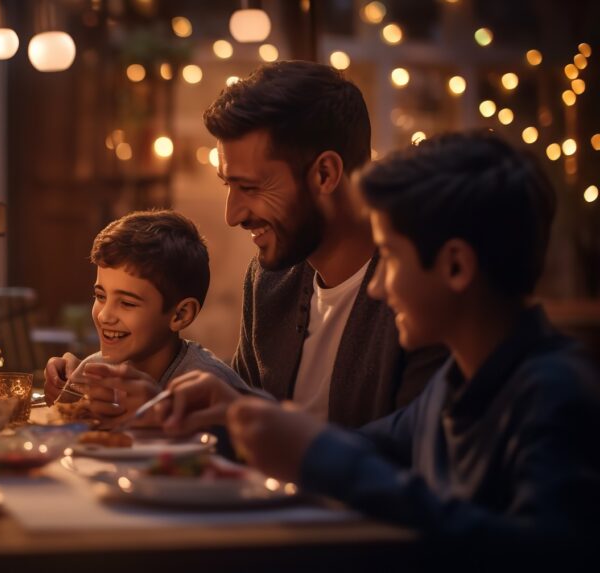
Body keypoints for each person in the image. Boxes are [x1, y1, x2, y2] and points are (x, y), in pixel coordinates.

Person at [226, 132, 600, 558]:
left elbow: (544, 555)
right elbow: (367, 446)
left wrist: (319, 455)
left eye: (389, 257)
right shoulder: (454, 384)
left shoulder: (555, 395)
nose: (379, 287)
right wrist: (235, 415)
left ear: (456, 266)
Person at [85, 61, 447, 435]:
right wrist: (160, 410)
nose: (232, 215)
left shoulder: (416, 290)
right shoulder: (270, 282)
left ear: (325, 174)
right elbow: (244, 440)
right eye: (228, 185)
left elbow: (412, 458)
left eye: (251, 188)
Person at [44, 210, 267, 427]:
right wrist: (66, 392)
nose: (104, 315)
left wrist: (161, 413)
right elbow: (64, 435)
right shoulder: (93, 370)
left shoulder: (210, 386)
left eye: (128, 303)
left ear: (181, 314)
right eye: (100, 296)